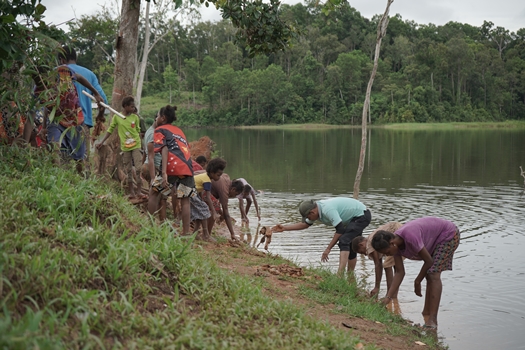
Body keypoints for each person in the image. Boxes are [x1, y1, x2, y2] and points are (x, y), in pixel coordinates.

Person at [371, 216, 460, 329]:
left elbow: (429, 261)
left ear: (392, 243)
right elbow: (399, 272)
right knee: (429, 274)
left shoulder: (410, 236)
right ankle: (426, 313)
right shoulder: (396, 245)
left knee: (433, 274)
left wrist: (417, 281)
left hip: (449, 234)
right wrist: (388, 297)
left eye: (387, 252)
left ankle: (432, 321)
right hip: (434, 238)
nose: (387, 255)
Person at [272, 197, 371, 276]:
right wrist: (284, 228)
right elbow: (305, 225)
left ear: (312, 212)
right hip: (353, 217)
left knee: (344, 240)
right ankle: (350, 276)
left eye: (308, 217)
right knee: (351, 245)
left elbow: (340, 230)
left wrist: (328, 249)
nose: (308, 219)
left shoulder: (327, 209)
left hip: (361, 215)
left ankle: (340, 275)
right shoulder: (316, 211)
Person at [38, 63, 103, 170]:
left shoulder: (64, 72)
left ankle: (81, 180)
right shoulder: (39, 89)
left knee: (79, 158)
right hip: (55, 120)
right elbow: (47, 107)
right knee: (55, 147)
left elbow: (80, 78)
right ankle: (58, 178)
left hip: (74, 118)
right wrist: (44, 127)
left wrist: (95, 93)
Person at [153, 105, 194, 236]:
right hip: (187, 167)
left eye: (158, 116)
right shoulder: (179, 130)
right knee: (185, 199)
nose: (156, 118)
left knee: (154, 192)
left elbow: (164, 149)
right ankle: (186, 233)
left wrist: (164, 173)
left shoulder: (160, 129)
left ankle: (150, 225)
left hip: (171, 166)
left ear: (163, 118)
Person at [96, 96, 145, 199]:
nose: (133, 108)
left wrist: (142, 144)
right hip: (125, 147)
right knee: (128, 170)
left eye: (133, 106)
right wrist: (102, 141)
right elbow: (110, 130)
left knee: (139, 168)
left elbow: (138, 131)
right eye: (131, 106)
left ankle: (139, 192)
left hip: (136, 145)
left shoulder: (135, 117)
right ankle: (132, 193)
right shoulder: (117, 117)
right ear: (125, 106)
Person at [59, 46, 108, 128]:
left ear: (61, 60)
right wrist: (100, 115)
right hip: (84, 122)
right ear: (76, 58)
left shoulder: (56, 73)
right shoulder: (90, 74)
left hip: (61, 123)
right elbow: (103, 100)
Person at [352, 221, 404, 298]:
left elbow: (378, 264)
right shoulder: (372, 238)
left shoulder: (370, 243)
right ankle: (393, 297)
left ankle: (390, 296)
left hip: (395, 232)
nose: (365, 254)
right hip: (401, 230)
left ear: (361, 244)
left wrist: (377, 287)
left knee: (387, 265)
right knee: (395, 266)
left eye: (361, 252)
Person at [192, 158, 225, 241]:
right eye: (218, 175)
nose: (219, 177)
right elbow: (207, 196)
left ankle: (195, 233)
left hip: (188, 190)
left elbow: (198, 188)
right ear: (212, 173)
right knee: (205, 210)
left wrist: (200, 201)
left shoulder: (205, 177)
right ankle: (206, 235)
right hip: (188, 191)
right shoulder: (207, 180)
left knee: (200, 212)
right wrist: (214, 212)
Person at [143, 113, 167, 220]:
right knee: (159, 197)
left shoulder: (150, 131)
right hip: (155, 167)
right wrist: (153, 176)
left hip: (149, 165)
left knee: (159, 196)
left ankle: (160, 221)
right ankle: (155, 221)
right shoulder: (153, 134)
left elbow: (145, 153)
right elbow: (151, 156)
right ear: (156, 118)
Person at [210, 168, 244, 240]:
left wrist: (221, 215)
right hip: (198, 188)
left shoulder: (227, 178)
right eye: (236, 194)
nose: (234, 196)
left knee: (214, 205)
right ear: (233, 189)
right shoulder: (225, 190)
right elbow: (226, 214)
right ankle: (207, 234)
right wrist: (232, 234)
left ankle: (206, 232)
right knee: (214, 208)